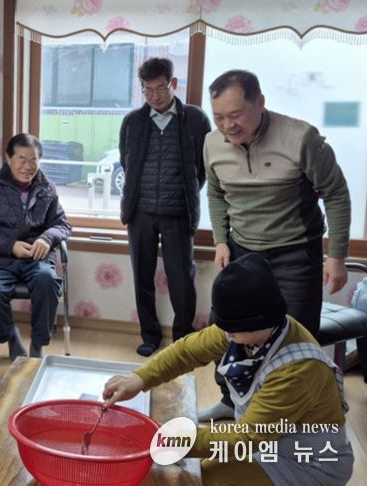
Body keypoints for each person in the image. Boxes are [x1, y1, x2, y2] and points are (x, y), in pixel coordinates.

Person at [103, 253, 354, 486]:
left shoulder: (297, 371)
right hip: (270, 442)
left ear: (258, 321)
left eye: (231, 329)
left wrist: (167, 438)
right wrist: (139, 378)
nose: (225, 333)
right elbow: (187, 351)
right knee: (201, 464)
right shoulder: (251, 330)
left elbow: (246, 438)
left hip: (309, 463)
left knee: (205, 476)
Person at [201, 69, 351, 421]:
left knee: (293, 339)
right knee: (226, 329)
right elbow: (217, 194)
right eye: (219, 117)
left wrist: (337, 256)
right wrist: (221, 240)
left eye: (236, 114)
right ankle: (230, 402)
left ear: (260, 103)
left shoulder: (300, 138)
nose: (228, 126)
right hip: (242, 250)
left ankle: (285, 418)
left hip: (295, 252)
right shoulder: (212, 143)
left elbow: (336, 194)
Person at [119, 58, 211, 357]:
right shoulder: (133, 121)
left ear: (173, 84)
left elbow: (202, 168)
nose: (155, 96)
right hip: (140, 212)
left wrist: (184, 192)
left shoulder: (194, 118)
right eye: (147, 90)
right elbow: (126, 162)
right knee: (142, 276)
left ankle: (183, 339)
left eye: (160, 88)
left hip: (178, 213)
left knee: (181, 278)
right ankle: (150, 335)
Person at [0, 133, 71, 360]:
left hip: (36, 258)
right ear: (8, 158)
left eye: (33, 160)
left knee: (48, 281)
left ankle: (39, 342)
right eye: (22, 159)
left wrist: (46, 238)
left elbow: (62, 224)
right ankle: (11, 337)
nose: (28, 166)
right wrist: (10, 246)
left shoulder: (47, 187)